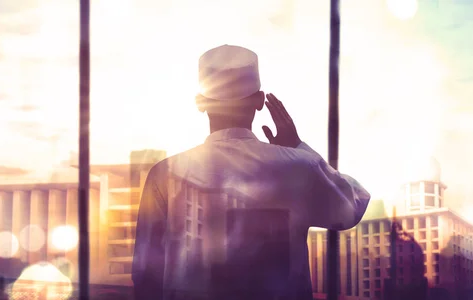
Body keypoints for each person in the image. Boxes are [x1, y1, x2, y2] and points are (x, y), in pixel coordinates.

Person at [132, 45, 371, 300]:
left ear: (200, 103)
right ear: (259, 102)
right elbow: (352, 205)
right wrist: (298, 147)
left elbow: (145, 273)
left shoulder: (164, 175)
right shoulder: (299, 167)